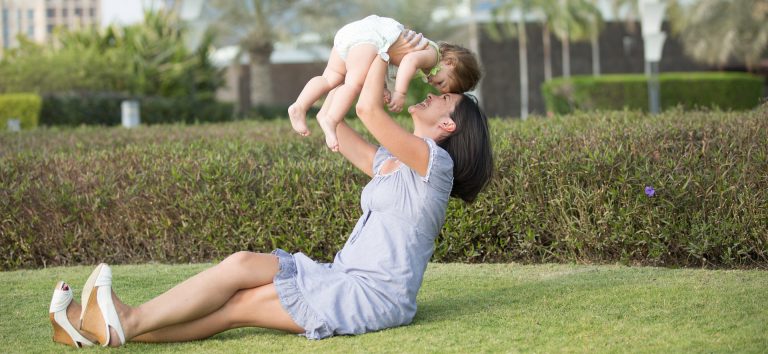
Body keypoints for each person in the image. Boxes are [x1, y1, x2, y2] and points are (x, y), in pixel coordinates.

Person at [47, 50, 493, 347]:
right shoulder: (391, 162)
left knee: (239, 307)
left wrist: (385, 47)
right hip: (341, 274)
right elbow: (334, 122)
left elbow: (366, 114)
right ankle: (100, 328)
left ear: (449, 126)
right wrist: (354, 80)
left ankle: (122, 323)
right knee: (242, 263)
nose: (434, 94)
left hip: (372, 296)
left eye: (444, 98)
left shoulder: (436, 165)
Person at [288, 14, 481, 152]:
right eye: (442, 84)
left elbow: (387, 61)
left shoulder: (427, 60)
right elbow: (407, 61)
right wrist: (400, 93)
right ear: (450, 63)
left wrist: (383, 87)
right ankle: (331, 119)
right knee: (353, 84)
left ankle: (299, 106)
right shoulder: (433, 56)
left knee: (330, 77)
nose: (434, 86)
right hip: (372, 38)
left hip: (356, 34)